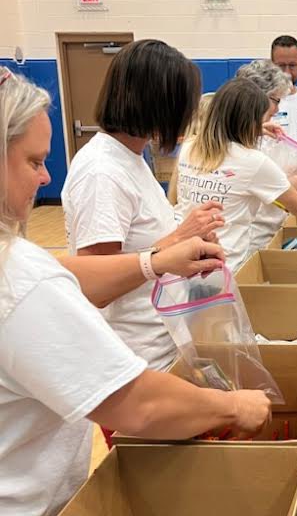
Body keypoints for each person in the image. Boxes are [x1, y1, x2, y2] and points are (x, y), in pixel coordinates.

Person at [0, 72, 272, 516]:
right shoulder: (21, 277)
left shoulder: (23, 264)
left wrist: (157, 260)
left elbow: (60, 270)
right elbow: (136, 405)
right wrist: (235, 406)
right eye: (34, 162)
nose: (45, 178)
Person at [61, 40, 225, 373]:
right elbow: (96, 285)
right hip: (133, 357)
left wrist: (189, 238)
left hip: (158, 345)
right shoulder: (102, 170)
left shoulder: (130, 157)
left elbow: (144, 245)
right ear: (158, 104)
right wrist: (178, 239)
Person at [176, 75, 297, 271]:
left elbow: (226, 139)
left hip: (184, 259)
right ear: (251, 119)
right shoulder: (252, 162)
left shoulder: (189, 147)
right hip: (224, 265)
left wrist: (257, 129)